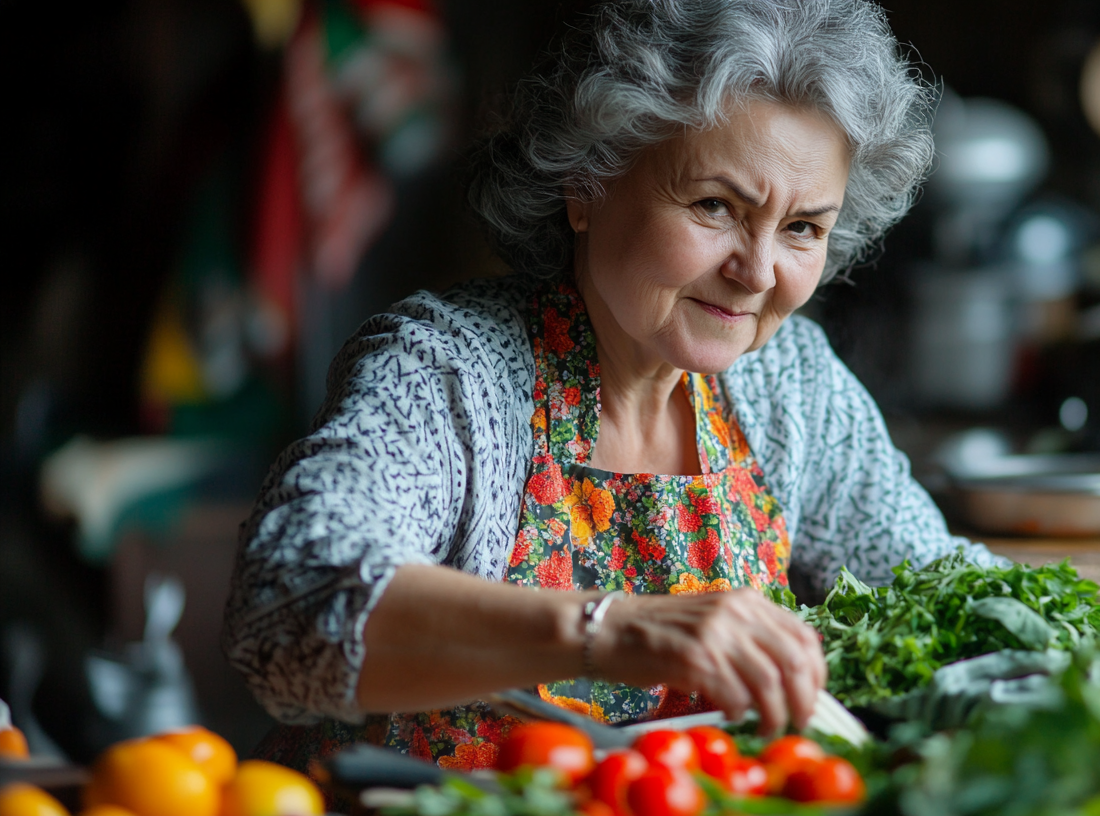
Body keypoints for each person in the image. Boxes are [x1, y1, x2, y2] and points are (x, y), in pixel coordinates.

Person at [224, 0, 1004, 771]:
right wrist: (616, 631)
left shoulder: (790, 382)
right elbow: (288, 607)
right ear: (587, 187)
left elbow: (938, 592)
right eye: (714, 206)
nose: (757, 272)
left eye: (802, 227)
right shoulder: (446, 372)